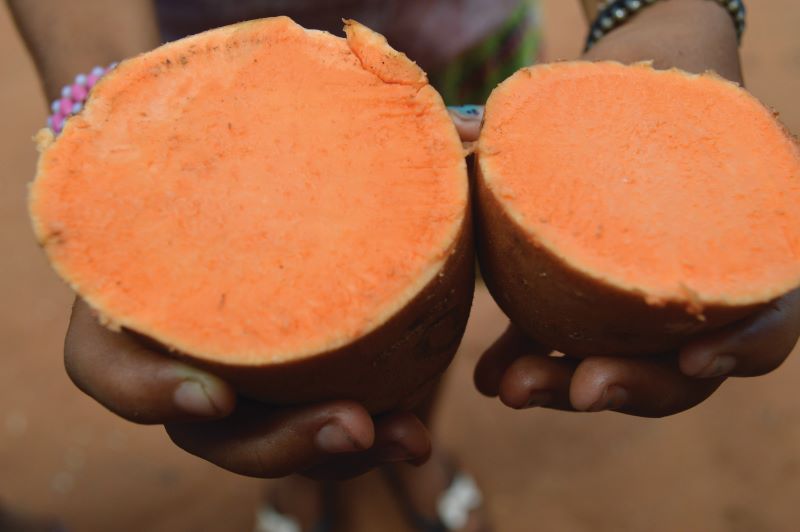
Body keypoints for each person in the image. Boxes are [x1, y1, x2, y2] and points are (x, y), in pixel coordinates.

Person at [7, 1, 799, 531]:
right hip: (205, 78)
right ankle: (319, 475)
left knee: (416, 304)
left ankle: (411, 434)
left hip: (461, 38)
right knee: (317, 338)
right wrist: (108, 105)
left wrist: (666, 8)